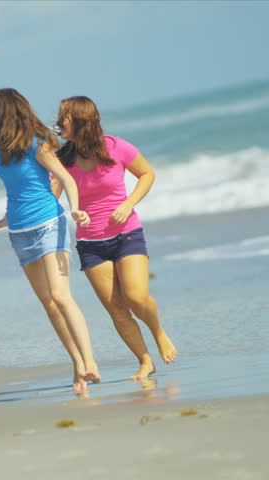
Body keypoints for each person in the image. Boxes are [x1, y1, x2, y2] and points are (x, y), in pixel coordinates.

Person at [0, 88, 101, 393]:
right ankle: (78, 365)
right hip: (20, 232)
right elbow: (18, 193)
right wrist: (2, 221)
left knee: (61, 296)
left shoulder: (38, 145)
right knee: (49, 305)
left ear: (1, 114)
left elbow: (67, 179)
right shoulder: (1, 151)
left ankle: (90, 362)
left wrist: (75, 209)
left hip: (50, 224)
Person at [52, 96, 177, 381]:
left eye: (64, 118)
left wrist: (128, 203)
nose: (58, 123)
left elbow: (146, 173)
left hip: (126, 234)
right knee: (118, 311)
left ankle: (158, 333)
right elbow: (51, 196)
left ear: (81, 120)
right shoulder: (63, 159)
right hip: (90, 244)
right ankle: (145, 361)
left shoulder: (116, 146)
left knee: (136, 297)